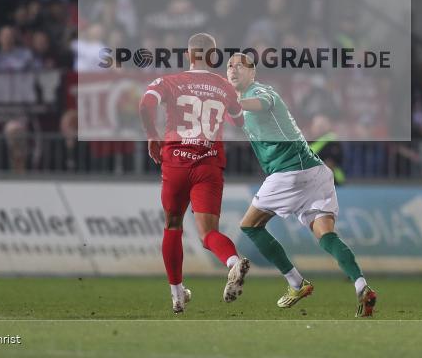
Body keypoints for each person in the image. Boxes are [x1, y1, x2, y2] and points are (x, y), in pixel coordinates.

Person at [226, 52, 378, 318]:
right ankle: (361, 285)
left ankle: (296, 283)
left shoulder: (261, 91)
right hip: (316, 172)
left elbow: (261, 103)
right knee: (326, 235)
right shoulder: (242, 104)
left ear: (253, 73)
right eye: (229, 66)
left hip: (288, 172)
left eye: (241, 66)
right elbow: (238, 116)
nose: (233, 69)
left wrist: (232, 100)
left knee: (250, 226)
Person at [138, 33, 249, 314]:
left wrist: (152, 136)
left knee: (172, 225)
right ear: (213, 57)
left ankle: (177, 294)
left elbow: (145, 104)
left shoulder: (169, 82)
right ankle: (234, 263)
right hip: (208, 164)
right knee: (208, 233)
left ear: (188, 55)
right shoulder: (224, 87)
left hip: (175, 160)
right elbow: (239, 120)